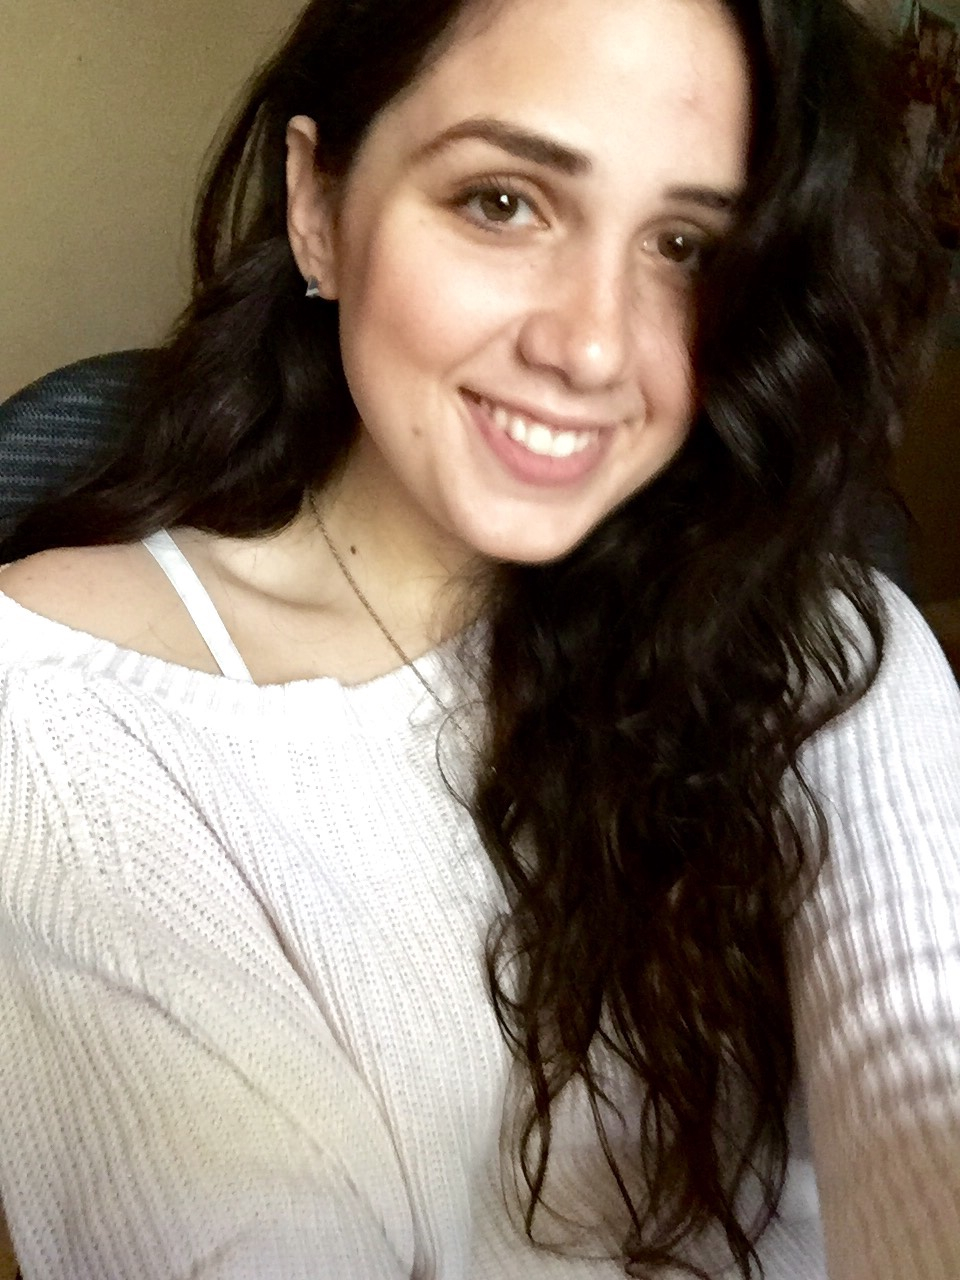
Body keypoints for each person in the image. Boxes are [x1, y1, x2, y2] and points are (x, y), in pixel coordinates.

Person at [0, 0, 957, 1276]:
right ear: (318, 205)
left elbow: (923, 1046)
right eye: (503, 202)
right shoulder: (65, 708)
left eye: (684, 245)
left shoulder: (818, 638)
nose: (593, 345)